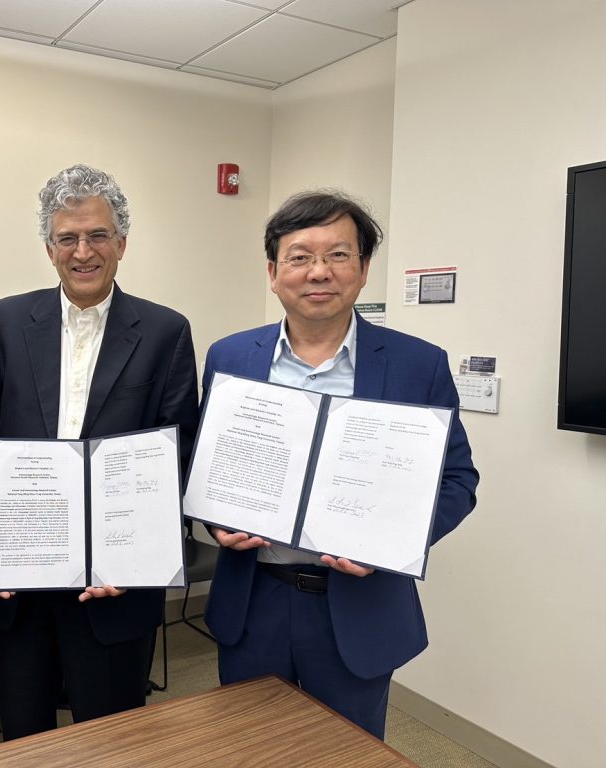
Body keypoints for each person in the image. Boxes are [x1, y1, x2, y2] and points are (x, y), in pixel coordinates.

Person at [202, 190, 478, 739]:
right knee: (249, 748)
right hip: (254, 597)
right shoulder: (229, 357)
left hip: (358, 607)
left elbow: (457, 481)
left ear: (363, 269)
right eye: (300, 257)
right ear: (273, 272)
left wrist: (389, 542)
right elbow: (206, 464)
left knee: (348, 750)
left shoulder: (417, 364)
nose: (318, 272)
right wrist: (215, 521)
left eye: (338, 255)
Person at [0, 164, 200, 740]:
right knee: (25, 739)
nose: (83, 252)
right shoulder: (6, 321)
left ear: (122, 243)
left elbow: (175, 453)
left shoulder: (165, 331)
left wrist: (136, 553)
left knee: (110, 740)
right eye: (68, 238)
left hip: (115, 588)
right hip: (20, 579)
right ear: (49, 248)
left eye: (97, 236)